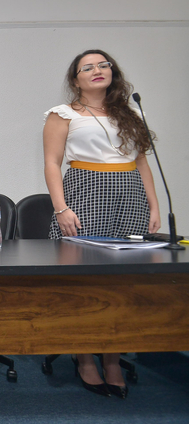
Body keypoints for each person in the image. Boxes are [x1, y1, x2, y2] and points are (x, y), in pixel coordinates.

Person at [43, 49, 160, 399]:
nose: (97, 70)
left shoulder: (131, 113)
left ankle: (112, 359)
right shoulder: (62, 114)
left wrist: (154, 206)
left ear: (113, 72)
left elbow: (142, 163)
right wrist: (61, 208)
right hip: (85, 192)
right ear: (75, 79)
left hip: (131, 196)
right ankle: (83, 356)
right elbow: (51, 163)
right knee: (85, 281)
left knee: (121, 283)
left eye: (103, 65)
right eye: (88, 67)